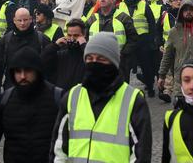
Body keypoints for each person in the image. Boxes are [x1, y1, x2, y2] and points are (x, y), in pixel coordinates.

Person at [50, 32, 152, 162]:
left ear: (114, 63)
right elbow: (58, 150)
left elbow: (141, 154)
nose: (94, 63)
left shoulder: (133, 100)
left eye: (101, 59)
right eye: (89, 58)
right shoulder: (72, 97)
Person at [0, 47, 62, 162]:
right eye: (18, 72)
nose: (23, 76)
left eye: (28, 71)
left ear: (37, 71)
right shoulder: (4, 100)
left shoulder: (58, 98)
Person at [0, 7, 51, 97]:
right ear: (14, 20)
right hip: (12, 90)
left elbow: (49, 67)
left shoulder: (42, 40)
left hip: (38, 90)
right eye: (19, 20)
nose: (22, 23)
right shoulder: (6, 40)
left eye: (25, 20)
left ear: (31, 19)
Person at [85, 0, 138, 82]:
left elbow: (133, 39)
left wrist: (123, 54)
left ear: (113, 0)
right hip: (97, 62)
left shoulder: (123, 17)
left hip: (119, 62)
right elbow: (84, 38)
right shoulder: (93, 18)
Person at [118, 0, 157, 96]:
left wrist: (150, 39)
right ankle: (124, 91)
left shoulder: (144, 5)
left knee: (146, 66)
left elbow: (151, 23)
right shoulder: (120, 6)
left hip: (142, 40)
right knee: (125, 68)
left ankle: (150, 87)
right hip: (127, 41)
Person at [41, 18, 87, 90]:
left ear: (84, 35)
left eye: (76, 35)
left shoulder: (88, 57)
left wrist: (84, 46)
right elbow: (42, 62)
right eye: (69, 35)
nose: (72, 39)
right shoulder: (61, 54)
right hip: (61, 97)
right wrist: (54, 46)